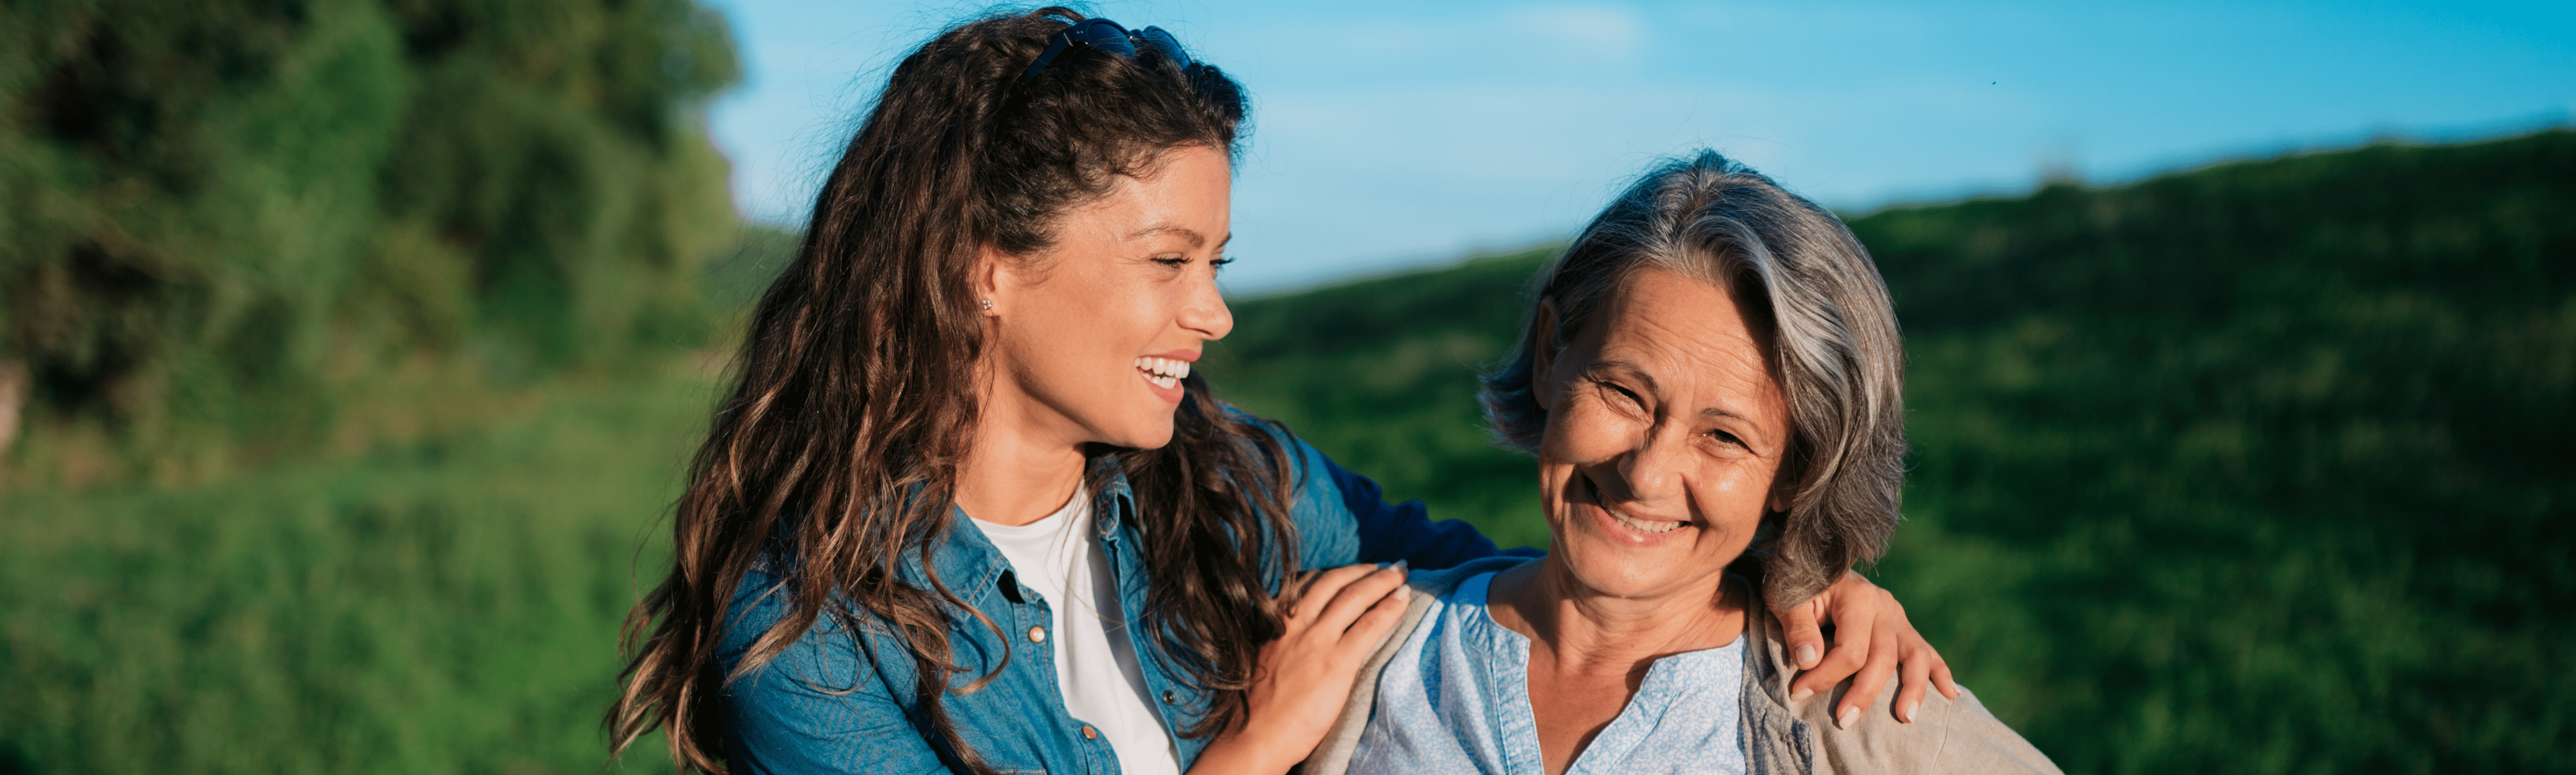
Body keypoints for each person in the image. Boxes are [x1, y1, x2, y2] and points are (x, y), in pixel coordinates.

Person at [605, 9, 1955, 775]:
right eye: (1169, 261)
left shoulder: (1246, 489)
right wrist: (1250, 748)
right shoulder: (812, 628)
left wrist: (1798, 576)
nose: (1217, 311)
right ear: (986, 272)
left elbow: (1525, 582)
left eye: (1221, 260)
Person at [1303, 153, 2059, 774]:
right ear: (1548, 356)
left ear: (1797, 471)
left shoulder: (1866, 711)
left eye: (1724, 437)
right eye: (1623, 392)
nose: (1647, 474)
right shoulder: (1351, 651)